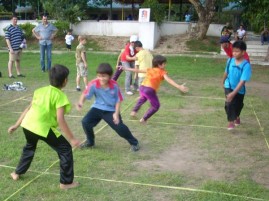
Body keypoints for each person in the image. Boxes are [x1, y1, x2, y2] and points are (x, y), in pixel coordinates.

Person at [7, 64, 80, 189]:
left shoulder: (39, 91)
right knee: (65, 149)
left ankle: (16, 173)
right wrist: (72, 139)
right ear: (65, 81)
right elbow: (60, 120)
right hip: (42, 128)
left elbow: (28, 108)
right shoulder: (60, 96)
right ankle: (66, 183)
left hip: (28, 125)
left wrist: (17, 124)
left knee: (29, 147)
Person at [77, 63, 140, 152]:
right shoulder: (94, 84)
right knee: (85, 122)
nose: (101, 78)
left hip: (111, 110)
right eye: (99, 76)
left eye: (104, 76)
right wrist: (80, 103)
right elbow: (85, 93)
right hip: (97, 107)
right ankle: (90, 142)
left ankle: (134, 143)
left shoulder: (114, 85)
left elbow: (118, 100)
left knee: (120, 128)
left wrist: (116, 114)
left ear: (110, 76)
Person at [122, 55, 189, 123]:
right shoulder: (162, 72)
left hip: (142, 87)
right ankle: (144, 119)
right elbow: (168, 80)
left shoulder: (150, 69)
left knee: (143, 98)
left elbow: (138, 70)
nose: (165, 65)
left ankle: (133, 112)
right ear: (159, 65)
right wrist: (179, 86)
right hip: (149, 90)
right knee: (156, 106)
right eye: (164, 63)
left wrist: (126, 68)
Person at [221, 41, 252, 130]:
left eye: (237, 51)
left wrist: (234, 93)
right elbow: (226, 72)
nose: (234, 53)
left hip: (239, 89)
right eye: (233, 51)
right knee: (229, 103)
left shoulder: (246, 65)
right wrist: (223, 82)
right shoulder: (230, 60)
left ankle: (237, 116)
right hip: (228, 85)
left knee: (238, 105)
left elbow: (242, 81)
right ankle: (231, 122)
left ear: (243, 52)